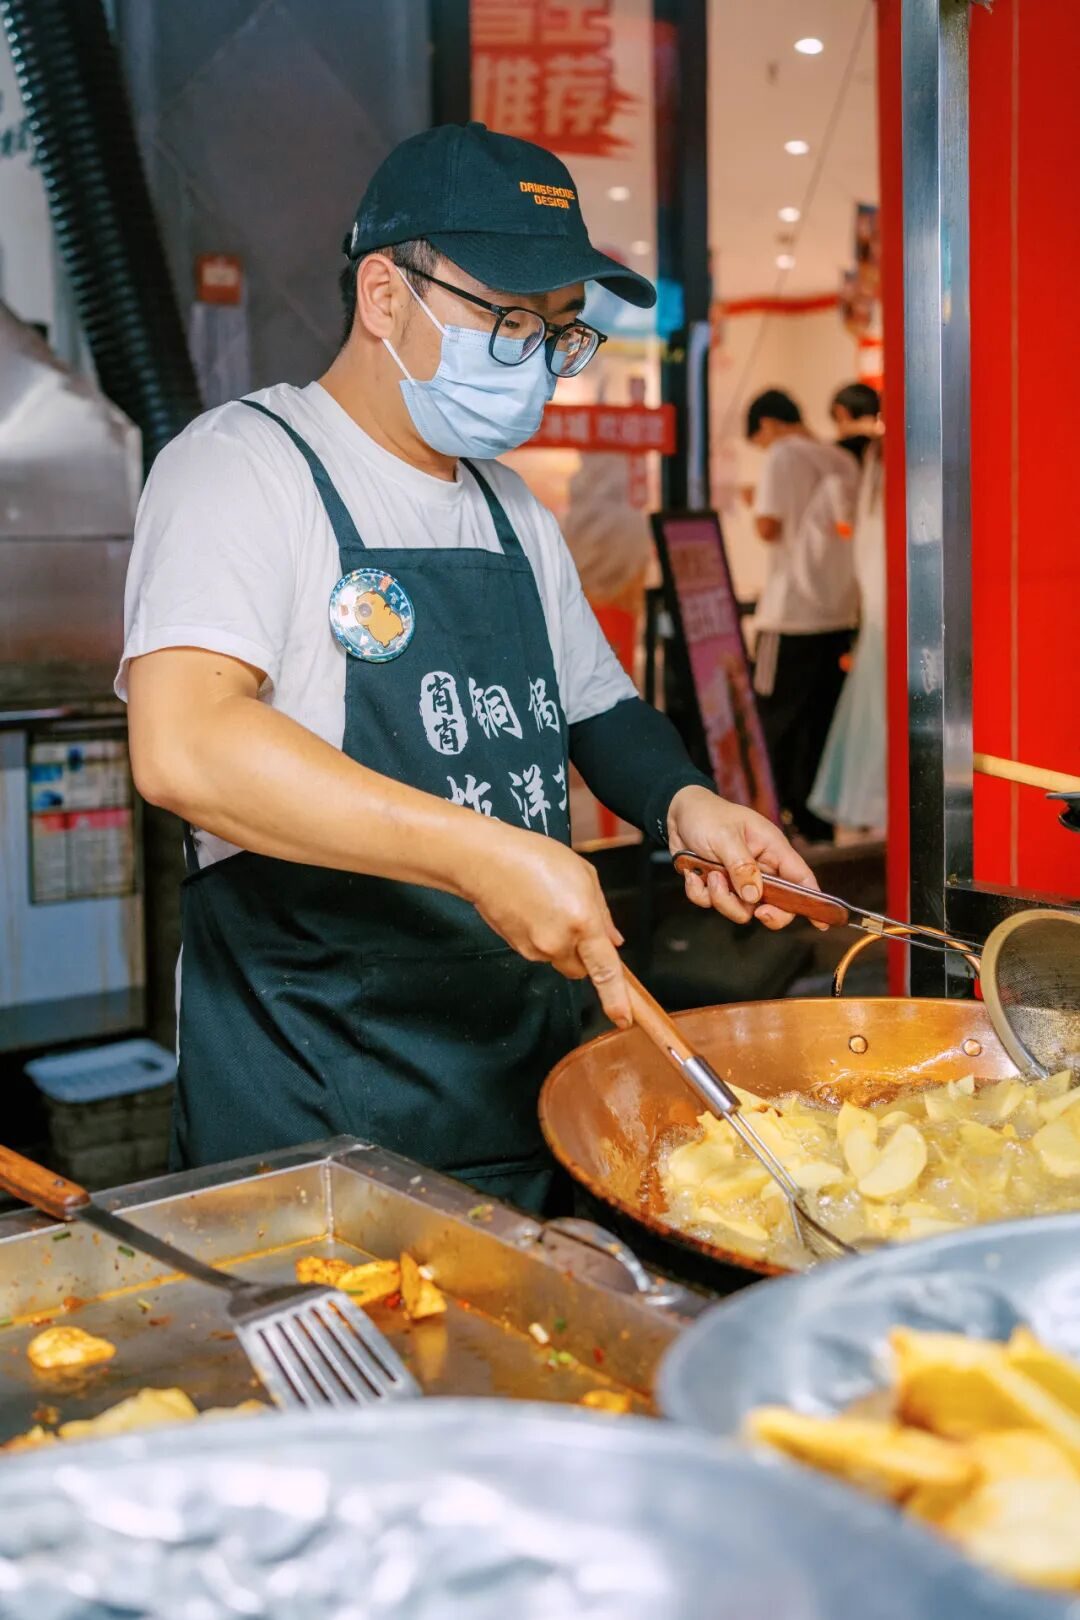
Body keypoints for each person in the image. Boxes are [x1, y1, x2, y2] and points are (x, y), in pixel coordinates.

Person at [119, 123, 819, 1214]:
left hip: (523, 1075)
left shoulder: (510, 509)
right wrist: (483, 856)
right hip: (322, 1105)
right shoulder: (242, 467)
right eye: (508, 320)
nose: (537, 359)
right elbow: (186, 745)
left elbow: (596, 708)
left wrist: (685, 804)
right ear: (384, 295)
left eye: (559, 330)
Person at [746, 388, 859, 842]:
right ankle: (815, 824)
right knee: (820, 725)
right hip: (837, 615)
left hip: (789, 614)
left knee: (772, 724)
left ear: (767, 425)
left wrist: (753, 502)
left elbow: (768, 526)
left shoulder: (782, 455)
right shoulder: (842, 459)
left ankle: (767, 826)